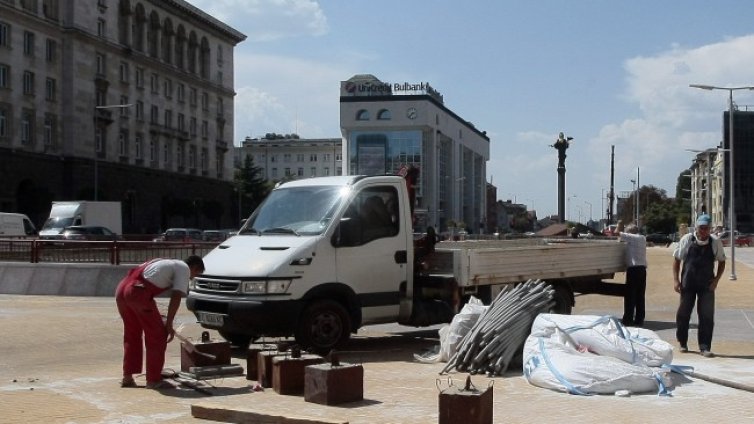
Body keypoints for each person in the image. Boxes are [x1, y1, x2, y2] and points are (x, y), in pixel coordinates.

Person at [116, 255, 205, 389]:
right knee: (157, 335)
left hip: (122, 291)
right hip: (137, 292)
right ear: (193, 267)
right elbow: (176, 297)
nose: (191, 278)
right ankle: (153, 380)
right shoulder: (184, 268)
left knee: (132, 335)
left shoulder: (163, 262)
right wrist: (169, 324)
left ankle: (127, 378)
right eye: (194, 275)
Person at [672, 214, 726, 358]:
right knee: (683, 314)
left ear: (710, 229)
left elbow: (722, 261)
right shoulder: (686, 240)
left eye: (706, 228)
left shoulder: (715, 242)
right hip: (688, 283)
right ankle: (682, 342)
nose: (704, 231)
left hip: (707, 285)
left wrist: (716, 281)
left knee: (707, 316)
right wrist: (676, 281)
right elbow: (677, 260)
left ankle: (705, 346)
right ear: (696, 228)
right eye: (701, 228)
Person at [617, 223, 647, 327]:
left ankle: (628, 319)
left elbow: (616, 233)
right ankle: (639, 319)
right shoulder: (642, 238)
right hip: (642, 269)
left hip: (633, 270)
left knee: (630, 296)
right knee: (640, 296)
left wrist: (619, 224)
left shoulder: (632, 238)